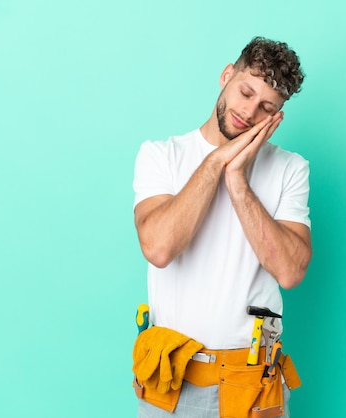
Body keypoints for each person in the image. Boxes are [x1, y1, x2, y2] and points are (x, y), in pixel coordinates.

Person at [132, 36, 312, 418]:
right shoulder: (161, 155)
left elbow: (290, 271)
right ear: (226, 75)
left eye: (267, 107)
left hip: (250, 384)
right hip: (170, 379)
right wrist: (215, 163)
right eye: (245, 92)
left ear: (278, 116)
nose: (249, 112)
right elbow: (159, 248)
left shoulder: (289, 168)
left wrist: (238, 181)